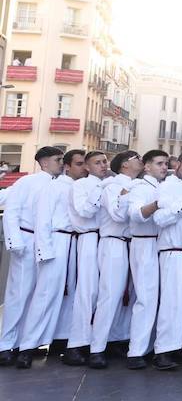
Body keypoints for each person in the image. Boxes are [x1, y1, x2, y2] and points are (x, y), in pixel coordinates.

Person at [18, 149, 86, 365]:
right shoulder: (54, 186)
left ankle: (61, 340)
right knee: (45, 294)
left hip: (74, 243)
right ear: (67, 166)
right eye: (79, 164)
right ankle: (27, 347)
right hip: (56, 242)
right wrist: (44, 250)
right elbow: (43, 219)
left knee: (71, 295)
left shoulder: (81, 187)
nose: (83, 168)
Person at [1, 146, 64, 366]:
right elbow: (11, 211)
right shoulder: (27, 182)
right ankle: (5, 345)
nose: (61, 163)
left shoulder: (60, 184)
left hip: (48, 242)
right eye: (58, 159)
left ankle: (26, 343)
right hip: (27, 241)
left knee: (39, 296)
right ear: (44, 162)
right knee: (19, 294)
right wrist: (15, 242)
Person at [87, 150, 140, 369]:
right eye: (136, 158)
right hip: (114, 242)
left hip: (131, 243)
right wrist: (128, 193)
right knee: (110, 294)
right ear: (125, 164)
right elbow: (118, 214)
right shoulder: (111, 186)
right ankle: (96, 347)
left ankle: (117, 338)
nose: (141, 161)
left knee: (128, 296)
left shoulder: (138, 184)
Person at [151, 150, 182, 371]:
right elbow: (160, 219)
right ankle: (163, 350)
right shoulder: (167, 186)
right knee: (172, 302)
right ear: (177, 164)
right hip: (172, 251)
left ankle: (179, 345)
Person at [123, 149, 170, 368]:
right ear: (147, 166)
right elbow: (135, 214)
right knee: (146, 297)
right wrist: (159, 204)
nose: (164, 167)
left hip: (160, 244)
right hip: (144, 243)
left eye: (165, 163)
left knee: (160, 298)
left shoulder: (163, 186)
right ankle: (136, 352)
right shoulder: (140, 187)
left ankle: (154, 347)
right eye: (159, 163)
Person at [62, 149, 108, 365]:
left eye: (105, 161)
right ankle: (76, 344)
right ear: (87, 167)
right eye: (97, 162)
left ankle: (101, 342)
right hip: (88, 238)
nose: (103, 165)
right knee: (86, 291)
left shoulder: (109, 184)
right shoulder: (80, 186)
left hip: (108, 240)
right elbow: (84, 212)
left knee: (106, 293)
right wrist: (100, 191)